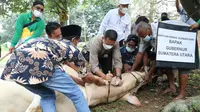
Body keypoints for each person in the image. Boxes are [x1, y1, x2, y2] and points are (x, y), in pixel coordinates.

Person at [1, 33, 90, 111]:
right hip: (40, 63)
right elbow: (83, 72)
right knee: (76, 94)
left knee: (47, 95)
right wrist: (87, 79)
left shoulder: (50, 43)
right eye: (77, 41)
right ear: (74, 40)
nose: (77, 44)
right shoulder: (71, 47)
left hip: (14, 68)